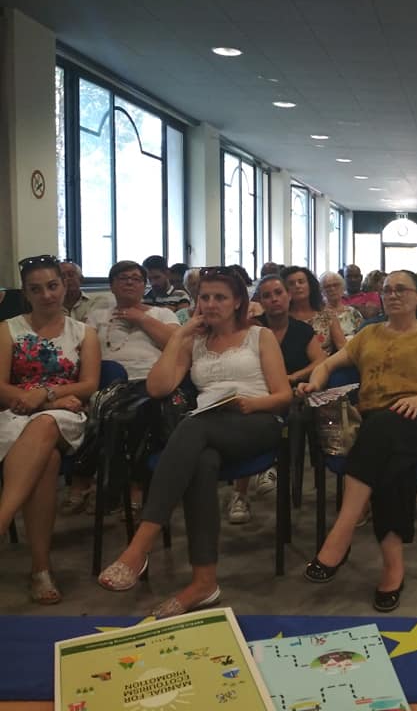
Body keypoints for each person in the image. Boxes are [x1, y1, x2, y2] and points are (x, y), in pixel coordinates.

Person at [97, 266, 291, 618]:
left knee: (192, 428)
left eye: (220, 297)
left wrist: (251, 404)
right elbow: (157, 388)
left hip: (257, 419)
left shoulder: (259, 336)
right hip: (209, 424)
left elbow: (283, 395)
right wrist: (180, 336)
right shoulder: (195, 340)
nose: (211, 304)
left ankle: (139, 546)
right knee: (202, 460)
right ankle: (204, 583)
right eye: (205, 297)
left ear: (237, 302)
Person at [297, 270, 417, 613]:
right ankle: (393, 569)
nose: (393, 295)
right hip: (380, 427)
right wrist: (315, 383)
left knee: (383, 428)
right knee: (391, 464)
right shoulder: (368, 334)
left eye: (401, 289)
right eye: (387, 290)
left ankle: (341, 533)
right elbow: (327, 365)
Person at [0, 255, 100, 604]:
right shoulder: (8, 329)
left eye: (53, 286)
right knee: (48, 462)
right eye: (36, 289)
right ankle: (40, 569)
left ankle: (2, 518)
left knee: (46, 424)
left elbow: (89, 385)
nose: (46, 295)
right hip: (15, 415)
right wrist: (43, 401)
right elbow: (0, 386)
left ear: (64, 285)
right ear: (26, 293)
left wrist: (47, 396)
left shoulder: (84, 333)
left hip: (66, 417)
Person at [62, 261, 180, 515]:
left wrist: (141, 318)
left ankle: (127, 486)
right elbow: (81, 352)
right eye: (123, 278)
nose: (129, 282)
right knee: (103, 406)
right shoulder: (97, 316)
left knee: (133, 412)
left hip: (148, 382)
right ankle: (99, 483)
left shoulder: (162, 314)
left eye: (136, 278)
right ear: (112, 285)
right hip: (106, 383)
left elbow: (176, 344)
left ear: (144, 285)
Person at [226, 274, 326, 521]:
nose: (274, 299)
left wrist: (293, 377)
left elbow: (320, 361)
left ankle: (270, 467)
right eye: (267, 295)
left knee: (289, 414)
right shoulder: (251, 328)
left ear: (289, 296)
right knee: (247, 415)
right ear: (260, 301)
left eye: (279, 293)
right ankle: (240, 493)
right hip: (256, 390)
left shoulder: (302, 330)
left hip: (292, 392)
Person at [282, 266, 346, 356]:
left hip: (327, 363)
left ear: (310, 285)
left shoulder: (327, 315)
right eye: (291, 283)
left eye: (301, 282)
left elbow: (342, 347)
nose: (297, 286)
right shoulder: (282, 318)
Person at [318, 272, 364, 340]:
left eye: (336, 285)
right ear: (322, 290)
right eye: (327, 286)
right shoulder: (318, 314)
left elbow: (363, 336)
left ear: (343, 287)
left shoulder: (353, 313)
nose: (332, 289)